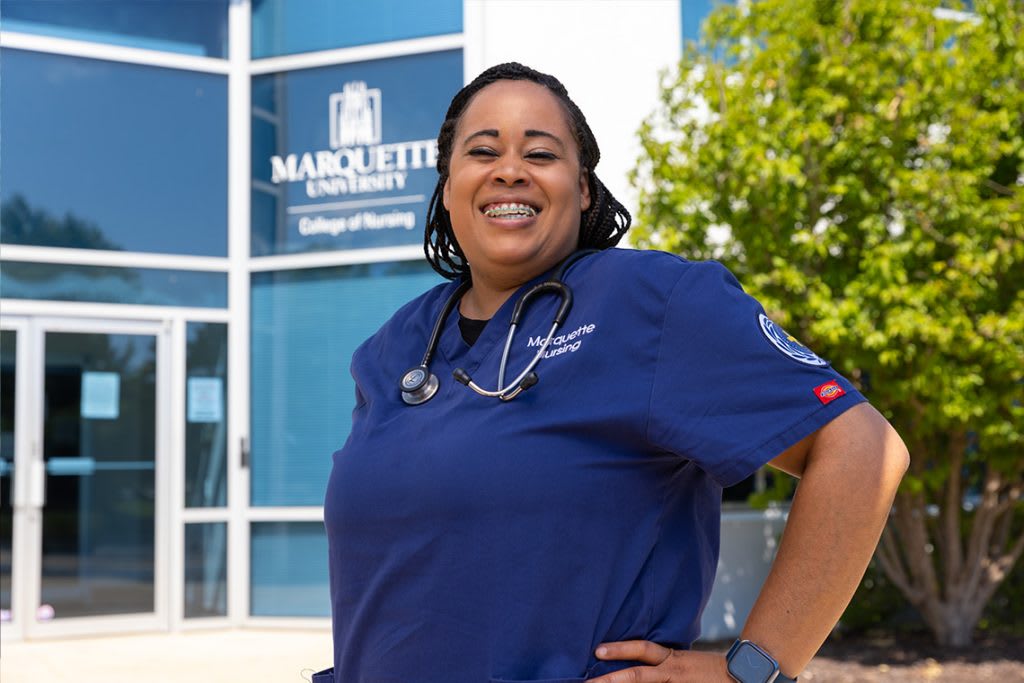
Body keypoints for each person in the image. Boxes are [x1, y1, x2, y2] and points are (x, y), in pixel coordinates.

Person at [318, 63, 909, 683]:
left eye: (540, 153)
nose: (509, 169)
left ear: (585, 191)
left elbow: (864, 448)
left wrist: (753, 670)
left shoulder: (650, 304)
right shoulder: (393, 350)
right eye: (482, 151)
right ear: (447, 188)